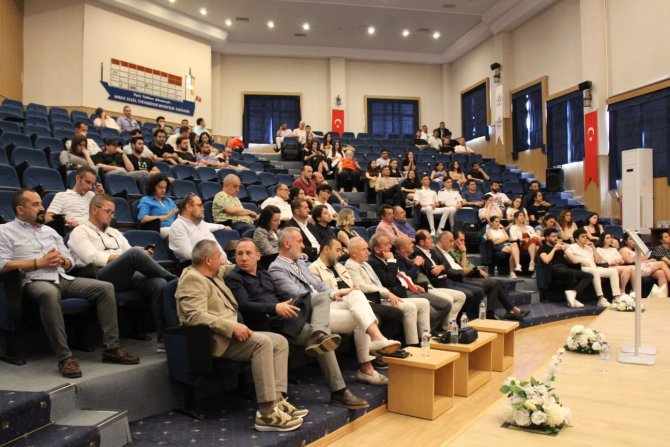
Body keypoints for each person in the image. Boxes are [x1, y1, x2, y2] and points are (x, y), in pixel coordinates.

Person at [0, 189, 139, 378]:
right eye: (35, 204)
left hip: (62, 278)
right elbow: (3, 264)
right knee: (49, 293)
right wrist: (38, 263)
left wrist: (63, 261)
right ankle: (65, 358)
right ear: (20, 209)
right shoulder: (5, 231)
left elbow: (70, 260)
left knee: (105, 288)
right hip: (34, 280)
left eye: (41, 203)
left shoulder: (50, 231)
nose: (42, 208)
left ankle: (111, 349)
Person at [176, 240, 306, 432]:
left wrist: (248, 258)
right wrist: (232, 326)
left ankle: (278, 400)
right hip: (214, 339)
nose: (223, 260)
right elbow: (195, 316)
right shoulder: (192, 280)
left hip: (231, 335)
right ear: (209, 260)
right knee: (263, 343)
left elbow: (233, 266)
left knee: (280, 341)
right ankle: (267, 413)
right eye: (220, 256)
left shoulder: (213, 273)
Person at [257, 230, 371, 408]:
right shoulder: (276, 268)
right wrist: (327, 296)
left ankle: (372, 342)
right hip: (302, 313)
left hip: (321, 307)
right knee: (325, 337)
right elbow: (299, 295)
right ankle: (340, 390)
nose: (303, 246)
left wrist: (334, 293)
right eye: (299, 241)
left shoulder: (301, 263)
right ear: (287, 244)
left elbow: (319, 285)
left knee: (358, 305)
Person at [67, 193, 175, 349]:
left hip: (124, 275)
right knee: (134, 254)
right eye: (108, 211)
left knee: (159, 283)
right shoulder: (80, 231)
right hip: (98, 276)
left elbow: (129, 252)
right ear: (94, 209)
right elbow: (92, 258)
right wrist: (127, 256)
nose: (111, 215)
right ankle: (174, 279)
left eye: (113, 212)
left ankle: (164, 339)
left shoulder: (114, 232)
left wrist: (141, 254)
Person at [308, 238, 402, 382]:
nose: (341, 254)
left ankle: (367, 369)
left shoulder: (340, 267)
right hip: (330, 305)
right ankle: (377, 340)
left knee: (361, 316)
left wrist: (353, 292)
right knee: (358, 300)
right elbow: (318, 298)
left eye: (341, 250)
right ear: (326, 249)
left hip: (350, 303)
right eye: (337, 250)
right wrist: (348, 293)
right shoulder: (313, 269)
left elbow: (353, 287)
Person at [345, 237, 431, 345]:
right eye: (364, 249)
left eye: (367, 248)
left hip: (383, 295)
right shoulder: (351, 266)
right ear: (353, 253)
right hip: (372, 299)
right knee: (410, 307)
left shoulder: (365, 263)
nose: (368, 252)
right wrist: (386, 293)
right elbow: (361, 286)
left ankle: (425, 340)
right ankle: (412, 344)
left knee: (424, 303)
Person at [367, 234, 454, 333]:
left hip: (411, 287)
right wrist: (393, 261)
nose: (390, 246)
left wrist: (411, 283)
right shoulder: (377, 261)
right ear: (377, 249)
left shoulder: (388, 257)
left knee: (446, 304)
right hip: (398, 292)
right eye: (386, 244)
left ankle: (430, 331)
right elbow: (390, 282)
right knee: (432, 311)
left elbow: (401, 276)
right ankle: (427, 333)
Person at [437, 231, 529, 320]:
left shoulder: (455, 251)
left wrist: (477, 269)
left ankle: (506, 311)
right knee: (493, 283)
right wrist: (464, 252)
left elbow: (468, 265)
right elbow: (463, 267)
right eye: (461, 240)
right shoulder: (452, 251)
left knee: (500, 284)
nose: (463, 243)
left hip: (471, 273)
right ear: (455, 240)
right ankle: (506, 310)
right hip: (464, 276)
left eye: (464, 240)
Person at [393, 235, 464, 328]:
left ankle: (441, 326)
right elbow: (406, 278)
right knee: (440, 307)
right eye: (410, 243)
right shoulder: (398, 259)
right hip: (416, 289)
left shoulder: (414, 256)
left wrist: (419, 264)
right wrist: (416, 265)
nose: (413, 245)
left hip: (427, 286)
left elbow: (440, 265)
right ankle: (436, 328)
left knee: (455, 299)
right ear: (402, 249)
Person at [413, 230, 480, 320]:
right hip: (435, 283)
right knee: (466, 295)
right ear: (421, 242)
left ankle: (455, 321)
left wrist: (441, 266)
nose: (432, 240)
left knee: (470, 293)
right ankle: (452, 323)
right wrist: (440, 267)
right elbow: (432, 271)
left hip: (444, 279)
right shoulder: (416, 252)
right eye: (429, 238)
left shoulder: (431, 250)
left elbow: (446, 263)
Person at [565, 228, 622, 307]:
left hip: (594, 267)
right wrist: (582, 261)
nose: (586, 238)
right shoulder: (571, 247)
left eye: (586, 236)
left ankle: (616, 297)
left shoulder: (589, 248)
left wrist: (594, 249)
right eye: (583, 236)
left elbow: (598, 261)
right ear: (576, 239)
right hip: (581, 268)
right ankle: (601, 299)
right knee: (595, 271)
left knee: (613, 271)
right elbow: (573, 260)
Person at [538, 228, 595, 308]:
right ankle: (573, 299)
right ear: (547, 238)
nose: (556, 238)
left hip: (565, 268)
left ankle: (573, 294)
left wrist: (565, 250)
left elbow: (571, 260)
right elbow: (546, 260)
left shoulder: (560, 247)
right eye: (553, 236)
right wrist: (554, 249)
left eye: (556, 236)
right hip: (553, 269)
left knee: (589, 276)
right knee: (570, 273)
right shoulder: (543, 248)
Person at [169, 193, 229, 265]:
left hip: (223, 264)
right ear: (189, 207)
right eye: (200, 205)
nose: (203, 209)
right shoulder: (178, 226)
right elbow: (187, 253)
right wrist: (215, 260)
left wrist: (223, 226)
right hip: (200, 266)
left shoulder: (201, 223)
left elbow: (210, 226)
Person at [137, 173, 177, 238]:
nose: (163, 190)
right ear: (153, 187)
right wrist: (165, 217)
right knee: (177, 233)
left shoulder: (169, 201)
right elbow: (143, 218)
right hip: (160, 229)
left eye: (165, 187)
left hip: (173, 227)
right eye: (160, 187)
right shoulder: (146, 200)